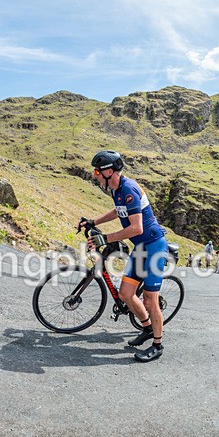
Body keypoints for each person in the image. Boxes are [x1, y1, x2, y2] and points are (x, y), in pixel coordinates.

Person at [80, 150, 167, 363]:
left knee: (150, 299)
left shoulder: (128, 189)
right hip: (141, 249)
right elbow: (118, 211)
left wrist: (106, 238)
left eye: (97, 171)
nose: (95, 175)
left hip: (154, 248)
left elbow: (136, 228)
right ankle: (146, 328)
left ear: (109, 171)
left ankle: (157, 344)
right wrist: (94, 221)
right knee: (126, 294)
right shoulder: (116, 189)